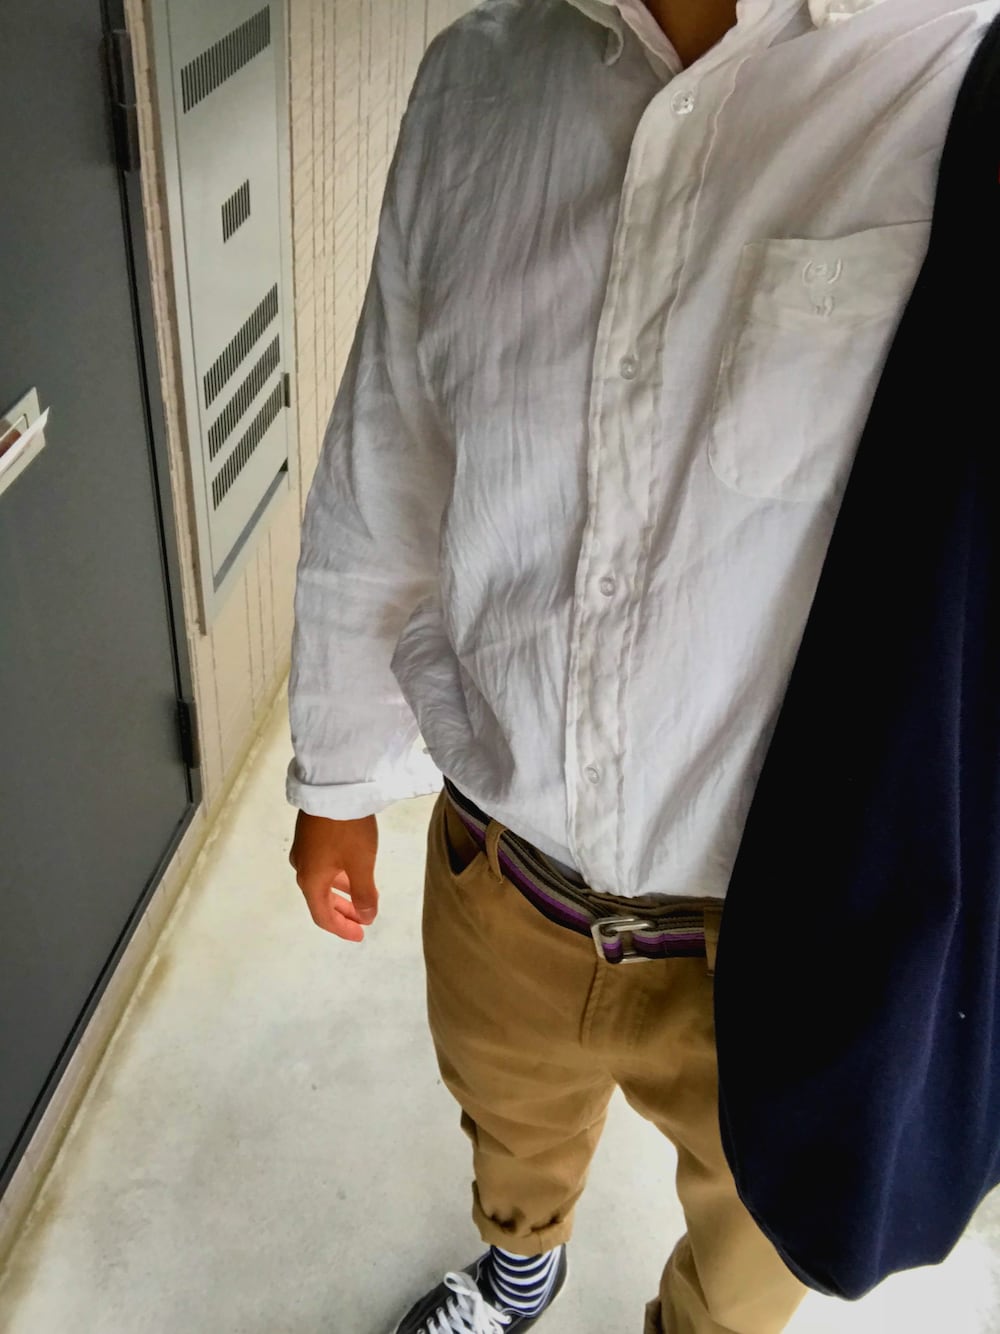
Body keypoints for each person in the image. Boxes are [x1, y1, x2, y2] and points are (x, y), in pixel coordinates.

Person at [285, 0, 996, 1330]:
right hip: (502, 874)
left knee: (753, 1247)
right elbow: (391, 446)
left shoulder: (958, 74)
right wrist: (335, 772)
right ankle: (520, 1269)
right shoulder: (478, 80)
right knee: (507, 1128)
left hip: (794, 946)